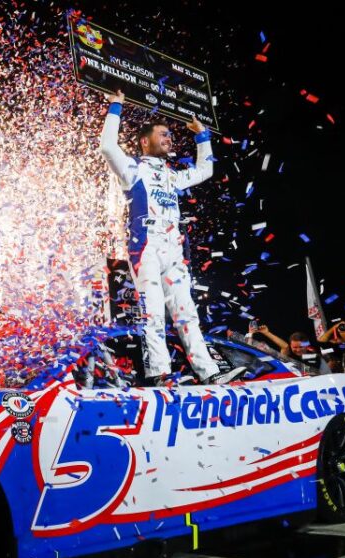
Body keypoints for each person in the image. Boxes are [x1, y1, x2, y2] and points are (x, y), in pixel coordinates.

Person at [98, 90, 240, 386]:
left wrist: (203, 137)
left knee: (187, 312)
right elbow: (108, 146)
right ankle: (159, 373)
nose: (169, 139)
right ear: (144, 141)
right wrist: (116, 106)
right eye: (162, 134)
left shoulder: (172, 175)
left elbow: (206, 169)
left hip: (173, 250)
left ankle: (209, 372)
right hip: (145, 247)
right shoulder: (133, 169)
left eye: (170, 136)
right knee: (153, 313)